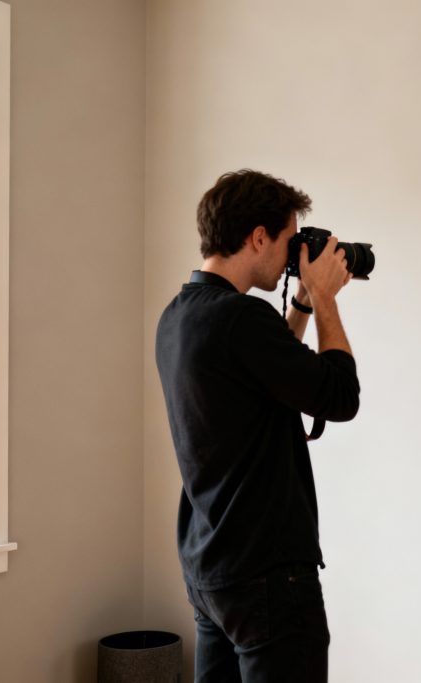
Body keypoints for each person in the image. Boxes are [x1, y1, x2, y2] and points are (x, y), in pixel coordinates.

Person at [155, 169, 360, 682]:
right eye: (290, 241)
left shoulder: (178, 316)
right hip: (268, 573)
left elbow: (271, 382)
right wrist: (328, 299)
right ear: (258, 237)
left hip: (211, 567)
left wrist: (301, 307)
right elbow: (340, 396)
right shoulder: (242, 319)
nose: (294, 256)